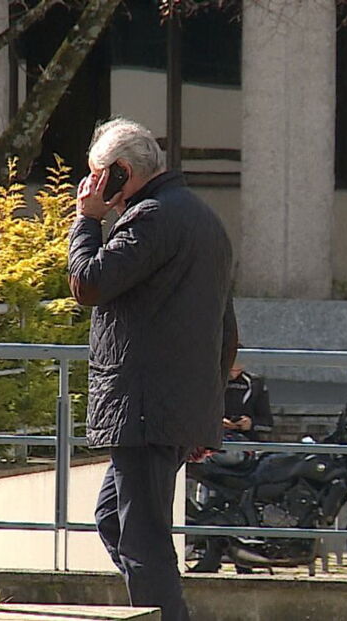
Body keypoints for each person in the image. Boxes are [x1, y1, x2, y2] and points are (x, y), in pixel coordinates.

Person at [68, 118, 237, 621]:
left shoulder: (151, 218)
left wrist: (86, 220)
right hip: (168, 410)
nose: (91, 187)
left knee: (143, 542)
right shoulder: (205, 219)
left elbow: (89, 284)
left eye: (97, 176)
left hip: (145, 409)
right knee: (114, 521)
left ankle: (164, 613)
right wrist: (204, 416)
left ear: (121, 172)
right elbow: (225, 330)